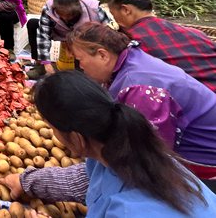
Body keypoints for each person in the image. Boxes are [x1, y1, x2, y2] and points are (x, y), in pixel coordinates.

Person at [1, 22, 216, 202]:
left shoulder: (139, 90)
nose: (80, 67)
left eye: (80, 60)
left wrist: (29, 181)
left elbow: (131, 168)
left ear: (103, 55)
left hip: (205, 170)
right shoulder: (129, 63)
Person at [27, 71, 216, 216]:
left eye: (52, 128)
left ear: (77, 139)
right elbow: (85, 180)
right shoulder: (127, 150)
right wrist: (27, 182)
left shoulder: (127, 211)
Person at [107, 0, 216, 93]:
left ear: (126, 10)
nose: (114, 19)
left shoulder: (131, 41)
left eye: (112, 14)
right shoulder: (195, 33)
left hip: (199, 102)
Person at [26, 0, 113, 79]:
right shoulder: (49, 9)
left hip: (84, 37)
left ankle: (81, 71)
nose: (66, 18)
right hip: (60, 33)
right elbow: (43, 36)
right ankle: (40, 66)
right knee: (33, 24)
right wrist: (46, 63)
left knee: (81, 71)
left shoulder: (95, 9)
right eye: (62, 14)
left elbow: (109, 34)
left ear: (78, 7)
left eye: (71, 14)